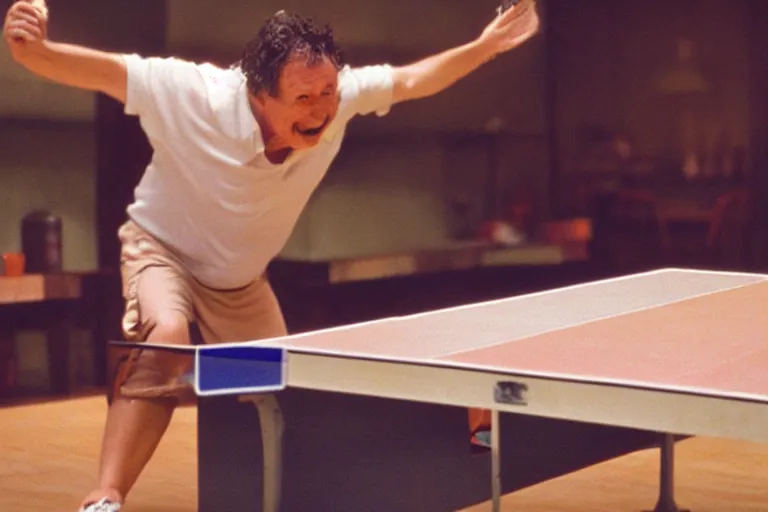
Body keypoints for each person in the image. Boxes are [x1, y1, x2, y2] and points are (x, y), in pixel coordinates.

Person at [3, 1, 540, 510]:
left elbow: (413, 80)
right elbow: (77, 68)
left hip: (241, 284)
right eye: (303, 99)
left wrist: (488, 44)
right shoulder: (190, 93)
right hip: (163, 253)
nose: (322, 110)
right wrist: (30, 45)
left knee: (274, 397)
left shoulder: (341, 96)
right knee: (166, 335)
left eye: (327, 92)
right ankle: (106, 494)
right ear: (258, 93)